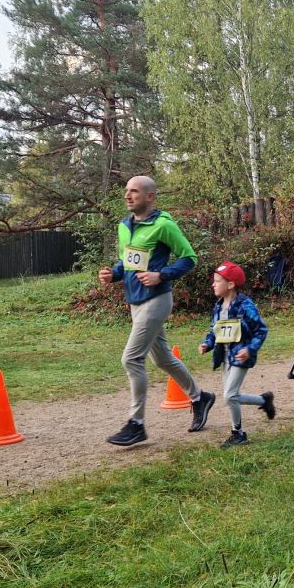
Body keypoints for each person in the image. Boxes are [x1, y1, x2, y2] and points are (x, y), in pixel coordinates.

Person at [100, 175, 214, 446]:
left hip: (157, 300)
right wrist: (113, 274)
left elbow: (190, 258)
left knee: (131, 359)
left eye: (135, 192)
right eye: (127, 191)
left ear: (150, 196)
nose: (128, 196)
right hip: (135, 302)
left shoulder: (163, 225)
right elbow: (127, 261)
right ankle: (200, 397)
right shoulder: (124, 226)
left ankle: (136, 424)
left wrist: (161, 275)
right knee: (162, 359)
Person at [198, 261, 275, 448]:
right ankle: (264, 400)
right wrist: (208, 344)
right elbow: (214, 330)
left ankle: (238, 434)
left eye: (217, 281)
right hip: (224, 356)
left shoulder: (245, 306)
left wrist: (249, 350)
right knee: (232, 395)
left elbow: (261, 330)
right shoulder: (218, 306)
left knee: (229, 396)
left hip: (241, 357)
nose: (213, 284)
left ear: (230, 284)